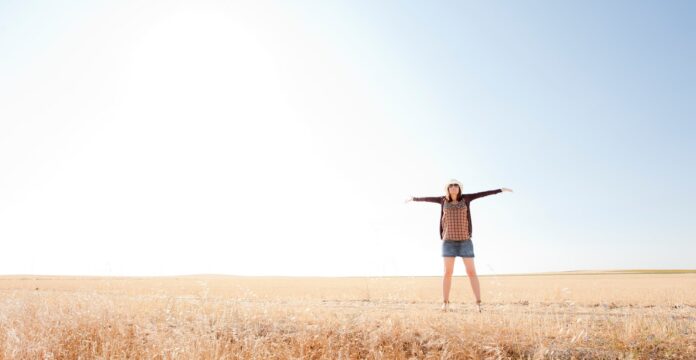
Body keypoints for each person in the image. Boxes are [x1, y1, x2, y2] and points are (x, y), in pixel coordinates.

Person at [406, 179, 512, 312]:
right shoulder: (442, 200)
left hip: (465, 242)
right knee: (448, 273)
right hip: (448, 242)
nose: (454, 187)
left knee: (471, 272)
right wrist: (414, 199)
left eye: (456, 185)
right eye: (451, 185)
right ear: (448, 189)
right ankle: (445, 303)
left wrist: (500, 190)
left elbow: (483, 194)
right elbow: (427, 199)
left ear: (459, 188)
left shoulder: (466, 199)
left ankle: (478, 304)